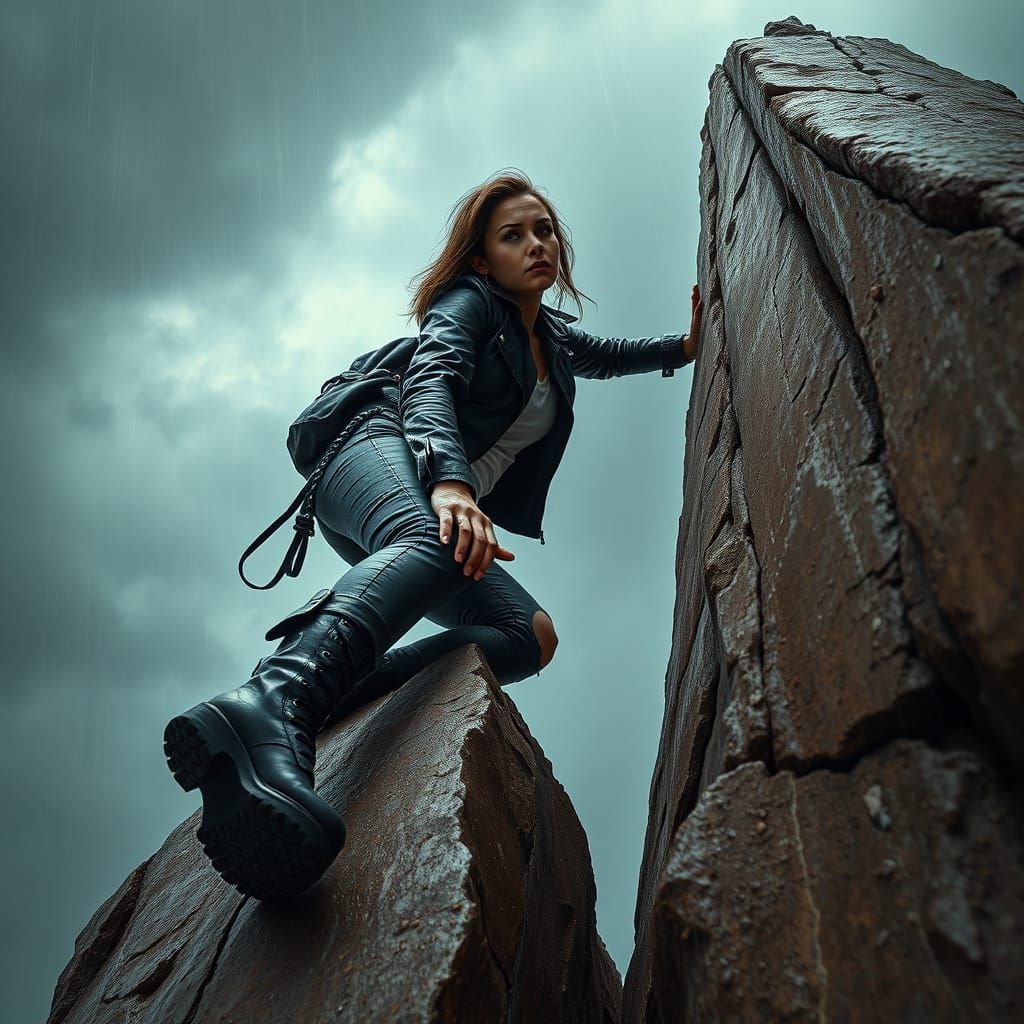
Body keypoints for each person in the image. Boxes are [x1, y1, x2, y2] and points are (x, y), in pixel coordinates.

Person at [163, 170, 704, 901]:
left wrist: (684, 345)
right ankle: (276, 700)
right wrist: (452, 481)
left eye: (544, 229)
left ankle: (326, 700)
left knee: (529, 634)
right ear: (482, 260)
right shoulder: (468, 304)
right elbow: (431, 382)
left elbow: (605, 354)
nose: (537, 243)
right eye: (513, 235)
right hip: (374, 448)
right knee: (436, 541)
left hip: (426, 504)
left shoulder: (548, 335)